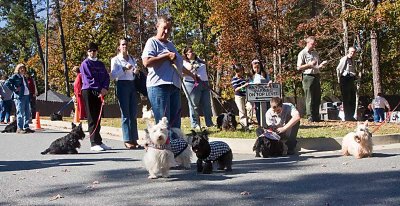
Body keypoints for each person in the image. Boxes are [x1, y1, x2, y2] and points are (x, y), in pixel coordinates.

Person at [141, 15, 196, 128]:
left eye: (169, 29)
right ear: (157, 27)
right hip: (159, 86)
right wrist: (165, 56)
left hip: (175, 86)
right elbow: (146, 62)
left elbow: (178, 65)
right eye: (164, 28)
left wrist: (192, 75)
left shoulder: (170, 44)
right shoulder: (152, 42)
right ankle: (164, 145)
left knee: (175, 124)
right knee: (163, 124)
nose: (166, 31)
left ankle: (176, 144)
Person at [110, 38, 142, 149]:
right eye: (123, 44)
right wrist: (124, 68)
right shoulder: (115, 60)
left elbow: (134, 72)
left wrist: (136, 71)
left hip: (132, 85)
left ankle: (134, 139)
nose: (125, 46)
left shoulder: (132, 58)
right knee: (125, 114)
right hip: (122, 85)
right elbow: (113, 75)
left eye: (126, 44)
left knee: (133, 113)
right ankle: (127, 139)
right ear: (119, 47)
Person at [80, 42, 111, 151]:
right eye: (90, 50)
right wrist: (99, 88)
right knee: (92, 117)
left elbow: (106, 77)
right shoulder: (85, 64)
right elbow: (89, 79)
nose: (92, 52)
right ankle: (93, 142)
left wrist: (105, 88)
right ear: (87, 52)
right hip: (89, 91)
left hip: (100, 92)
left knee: (98, 116)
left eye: (94, 50)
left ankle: (99, 141)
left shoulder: (101, 64)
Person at [182, 46, 214, 129]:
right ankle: (195, 124)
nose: (192, 53)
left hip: (204, 83)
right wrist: (192, 66)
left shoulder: (200, 60)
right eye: (190, 51)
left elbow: (206, 66)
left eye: (193, 51)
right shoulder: (184, 62)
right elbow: (183, 73)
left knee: (207, 104)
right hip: (191, 83)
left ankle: (209, 123)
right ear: (186, 54)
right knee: (194, 105)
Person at [297, 36, 327, 122]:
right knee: (309, 97)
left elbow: (316, 66)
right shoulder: (302, 53)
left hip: (316, 75)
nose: (313, 46)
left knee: (317, 96)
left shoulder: (315, 53)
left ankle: (316, 116)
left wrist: (321, 65)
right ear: (308, 43)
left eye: (314, 44)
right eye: (312, 44)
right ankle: (310, 116)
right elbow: (298, 67)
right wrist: (309, 65)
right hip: (307, 77)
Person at [5, 63, 34, 133]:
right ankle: (19, 128)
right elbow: (7, 83)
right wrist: (14, 89)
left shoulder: (24, 77)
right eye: (21, 68)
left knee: (27, 112)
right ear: (18, 69)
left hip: (27, 96)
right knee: (20, 112)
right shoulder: (15, 76)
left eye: (23, 68)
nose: (22, 69)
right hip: (19, 97)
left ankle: (26, 127)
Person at [336, 47, 357, 121]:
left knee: (352, 97)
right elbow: (338, 69)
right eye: (351, 52)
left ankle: (351, 115)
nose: (352, 53)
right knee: (346, 98)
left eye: (354, 52)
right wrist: (340, 80)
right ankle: (347, 116)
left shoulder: (353, 60)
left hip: (351, 79)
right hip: (345, 79)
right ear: (348, 52)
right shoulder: (344, 59)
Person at [249, 59, 272, 126]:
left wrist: (270, 82)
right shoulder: (251, 76)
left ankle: (268, 124)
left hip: (266, 97)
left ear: (260, 67)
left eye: (258, 67)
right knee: (258, 110)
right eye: (255, 68)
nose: (256, 69)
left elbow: (269, 81)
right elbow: (250, 85)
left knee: (267, 110)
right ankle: (260, 124)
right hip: (257, 97)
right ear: (252, 68)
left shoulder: (264, 74)